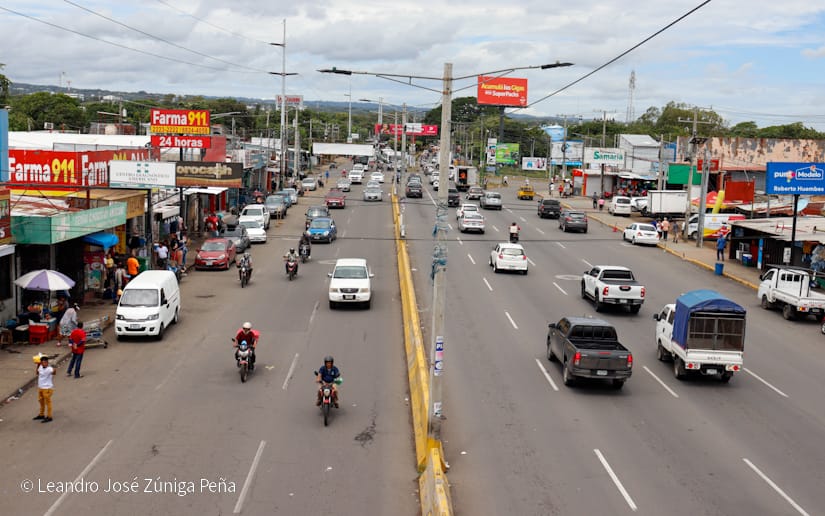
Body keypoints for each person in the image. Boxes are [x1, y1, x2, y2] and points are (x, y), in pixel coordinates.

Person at [34, 355, 55, 423]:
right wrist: (38, 365)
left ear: (47, 362)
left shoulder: (49, 369)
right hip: (41, 388)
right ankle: (41, 414)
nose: (44, 364)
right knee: (41, 402)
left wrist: (53, 369)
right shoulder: (40, 366)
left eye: (46, 362)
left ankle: (49, 416)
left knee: (48, 403)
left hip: (47, 389)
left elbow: (54, 372)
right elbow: (37, 373)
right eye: (43, 362)